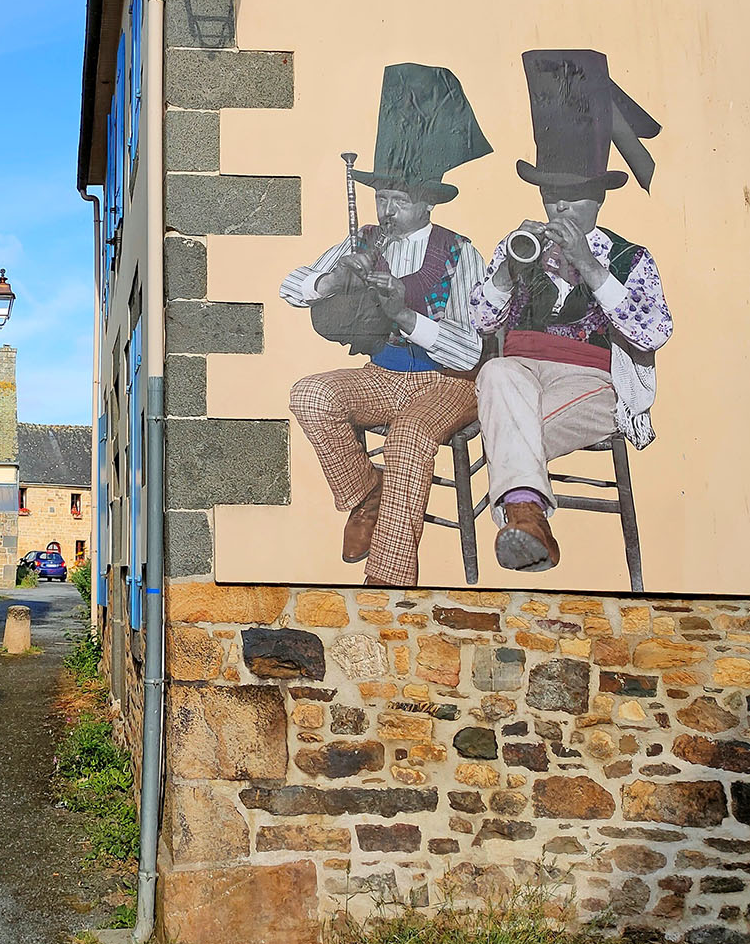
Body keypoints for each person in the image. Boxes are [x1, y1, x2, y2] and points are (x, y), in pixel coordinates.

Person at [282, 63, 491, 588]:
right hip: (384, 374)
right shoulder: (363, 240)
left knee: (410, 433)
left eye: (400, 197)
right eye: (382, 195)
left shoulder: (459, 253)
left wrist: (404, 316)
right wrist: (330, 280)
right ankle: (365, 494)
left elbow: (470, 352)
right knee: (310, 395)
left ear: (427, 201)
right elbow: (292, 286)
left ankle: (389, 581)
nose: (387, 207)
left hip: (449, 383)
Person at [470, 49, 672, 572]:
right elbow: (475, 327)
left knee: (505, 428)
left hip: (594, 387)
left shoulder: (629, 258)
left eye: (575, 197)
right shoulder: (520, 245)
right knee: (495, 371)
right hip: (520, 376)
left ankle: (521, 508)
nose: (560, 209)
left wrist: (592, 269)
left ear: (598, 200)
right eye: (551, 195)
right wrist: (502, 276)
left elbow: (653, 334)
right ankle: (526, 517)